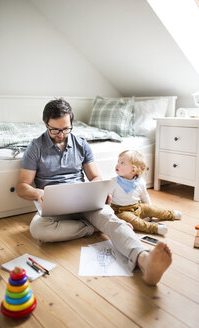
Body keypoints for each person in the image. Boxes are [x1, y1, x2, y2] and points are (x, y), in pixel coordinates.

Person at [16, 98, 172, 285]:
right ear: (46, 124)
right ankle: (94, 227)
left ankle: (144, 259)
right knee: (38, 228)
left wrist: (100, 191)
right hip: (54, 206)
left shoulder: (81, 144)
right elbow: (22, 187)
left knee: (111, 219)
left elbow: (95, 177)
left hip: (84, 200)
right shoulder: (35, 147)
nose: (60, 134)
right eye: (55, 129)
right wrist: (40, 193)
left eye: (66, 128)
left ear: (71, 123)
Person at [110, 150, 182, 235]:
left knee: (153, 209)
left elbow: (145, 197)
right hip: (121, 212)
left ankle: (171, 214)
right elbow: (107, 200)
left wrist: (149, 209)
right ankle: (155, 228)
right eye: (118, 161)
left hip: (138, 207)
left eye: (122, 163)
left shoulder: (140, 182)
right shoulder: (113, 182)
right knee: (135, 222)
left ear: (133, 170)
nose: (117, 165)